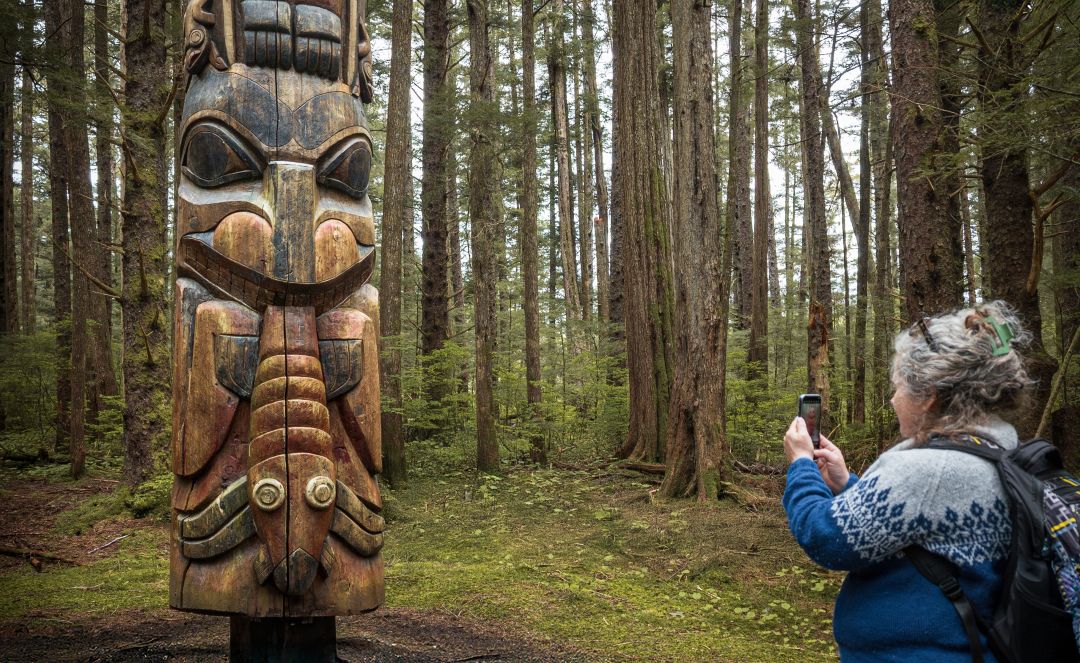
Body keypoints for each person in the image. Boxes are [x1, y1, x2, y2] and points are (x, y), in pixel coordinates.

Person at [783, 301, 1033, 662]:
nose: (892, 399)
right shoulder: (999, 450)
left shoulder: (927, 469)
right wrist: (847, 483)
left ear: (928, 396)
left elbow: (826, 538)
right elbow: (917, 528)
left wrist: (802, 465)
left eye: (898, 387)